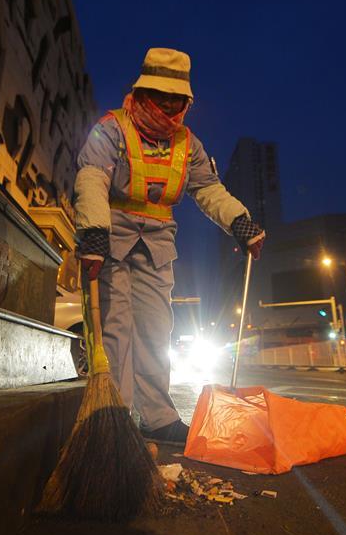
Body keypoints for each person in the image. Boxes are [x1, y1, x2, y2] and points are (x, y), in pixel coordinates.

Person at [72, 48, 265, 445]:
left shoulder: (187, 144)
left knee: (157, 331)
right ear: (143, 93)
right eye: (162, 96)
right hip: (111, 241)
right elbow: (91, 177)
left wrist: (240, 222)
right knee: (115, 330)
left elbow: (208, 189)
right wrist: (92, 232)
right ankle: (116, 415)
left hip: (158, 247)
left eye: (177, 99)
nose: (169, 106)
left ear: (186, 101)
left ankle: (157, 418)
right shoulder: (111, 129)